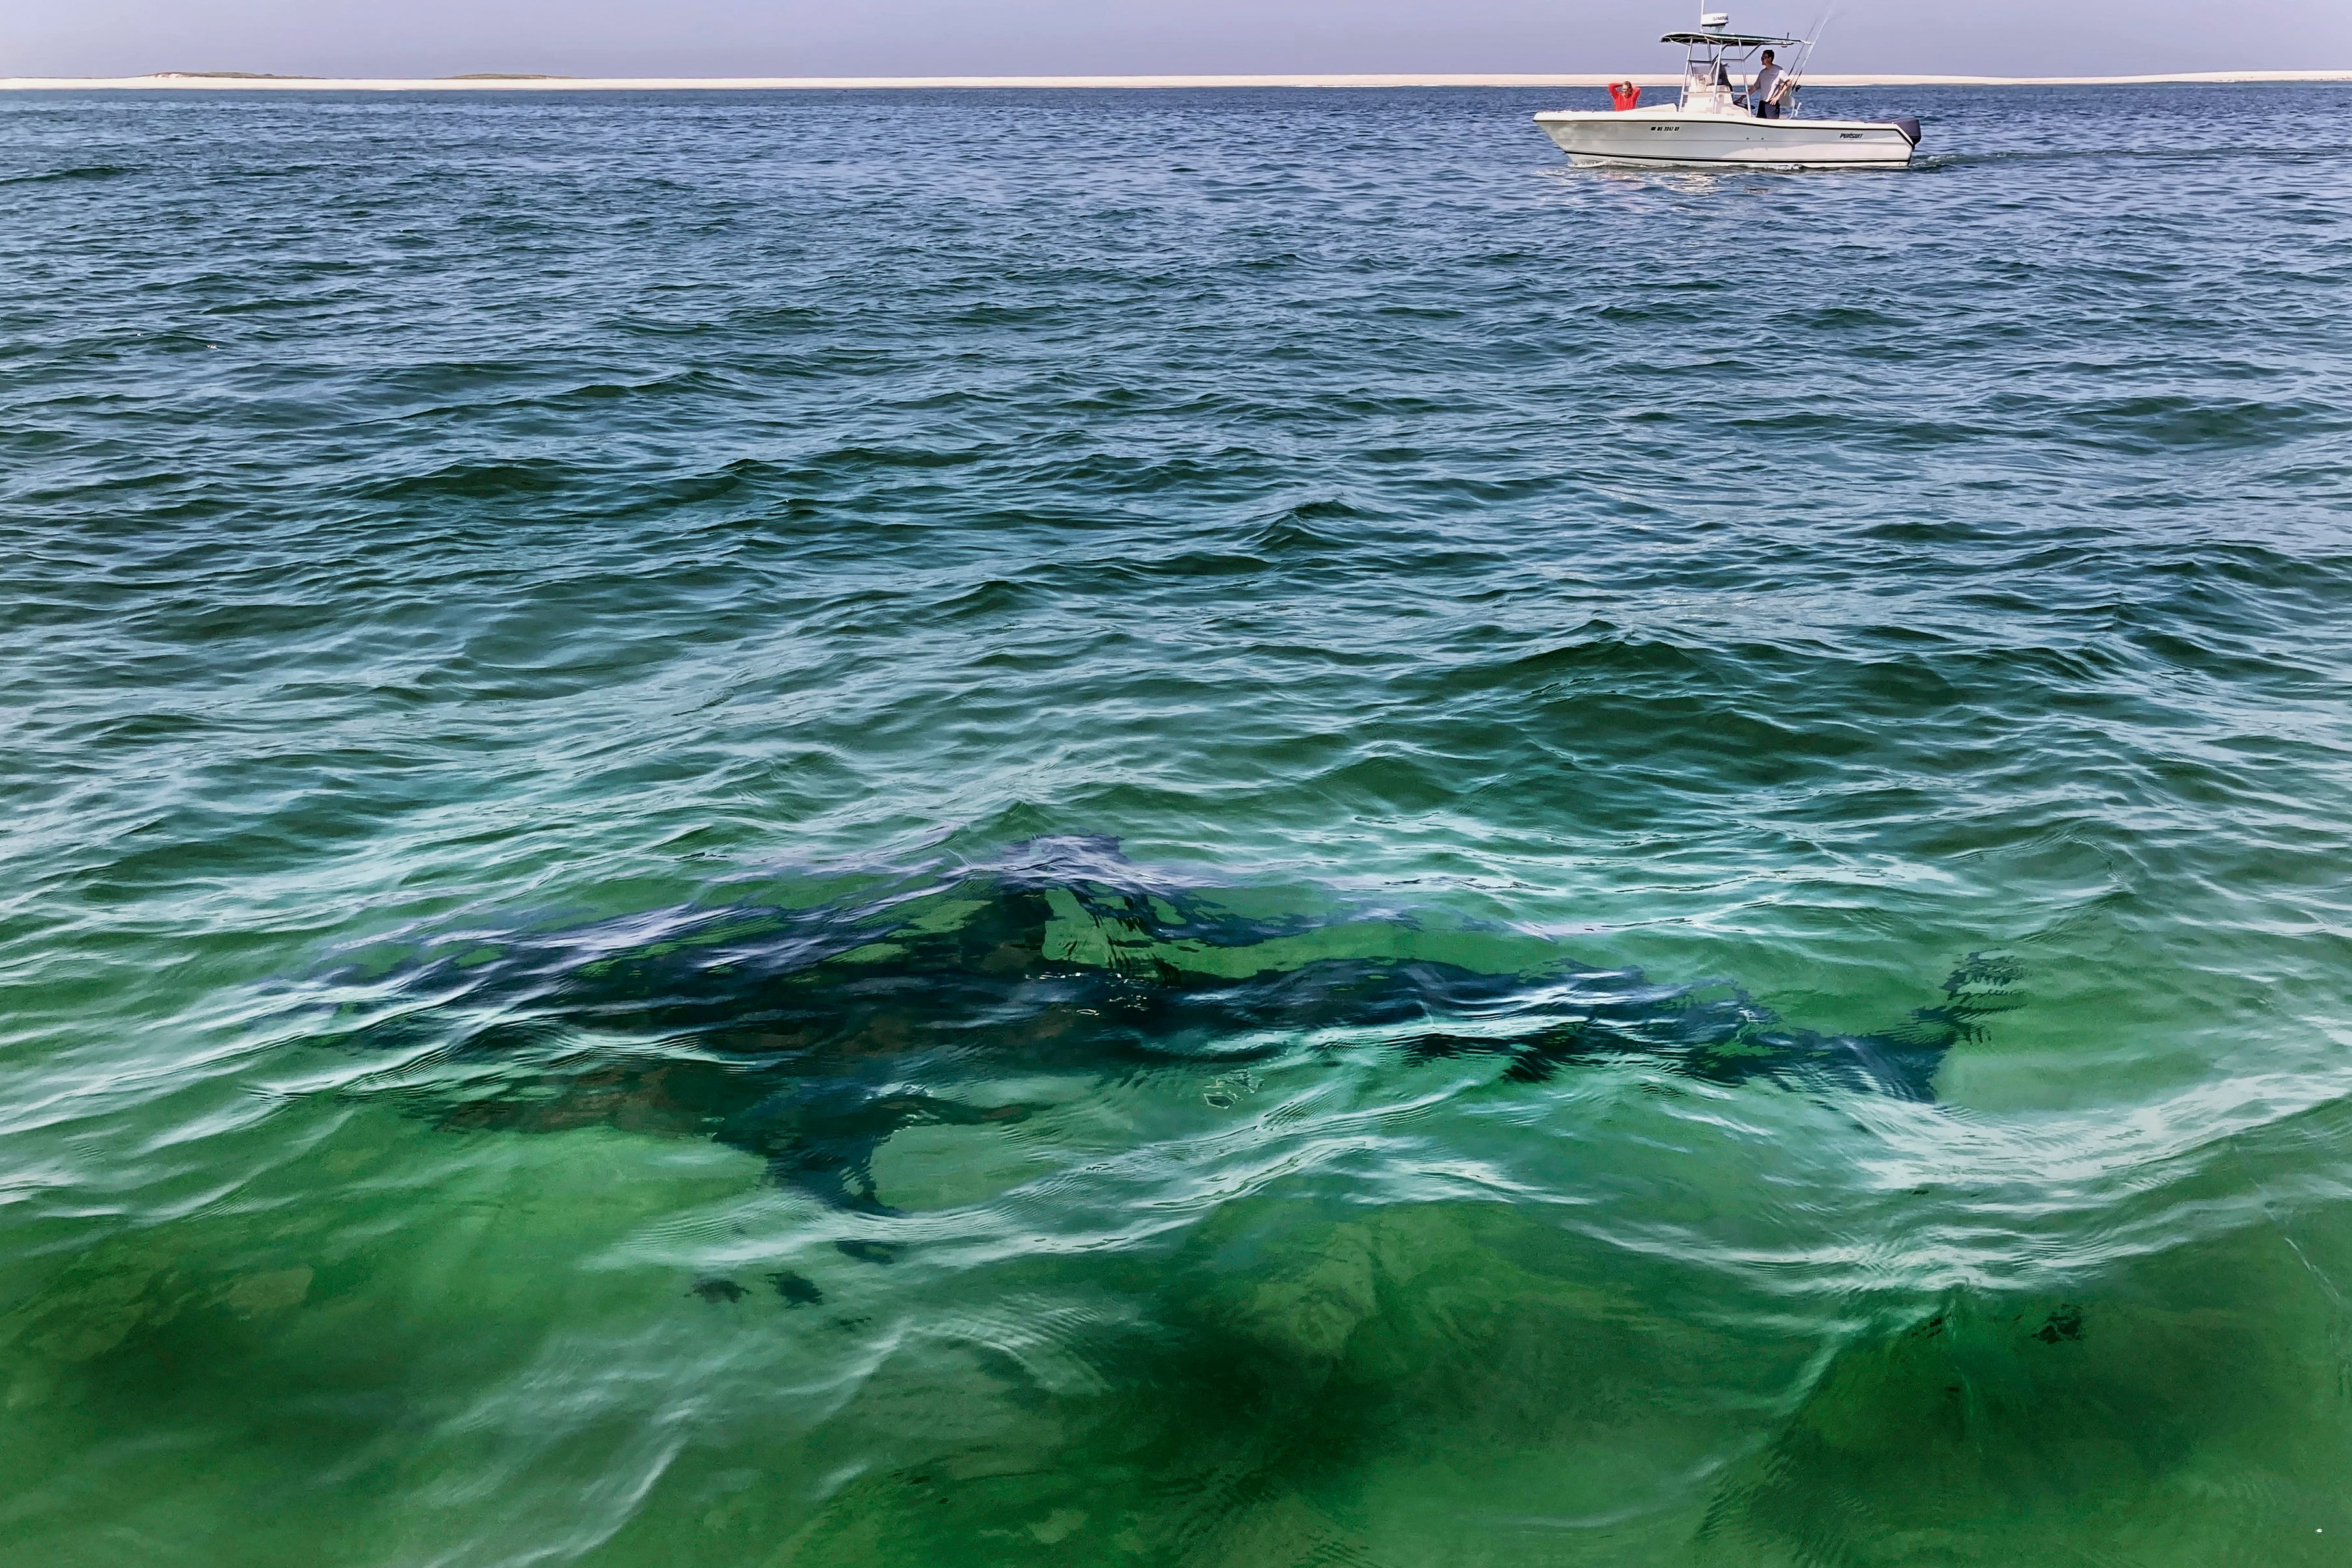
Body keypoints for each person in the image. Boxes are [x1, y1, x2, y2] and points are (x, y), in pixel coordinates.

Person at [1748, 49, 1788, 117]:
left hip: (1772, 103)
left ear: (1770, 58)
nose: (1762, 59)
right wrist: (1743, 96)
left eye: (1764, 58)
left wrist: (1777, 97)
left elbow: (1789, 82)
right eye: (1762, 58)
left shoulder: (1778, 70)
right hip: (1762, 103)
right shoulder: (1762, 73)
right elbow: (1755, 87)